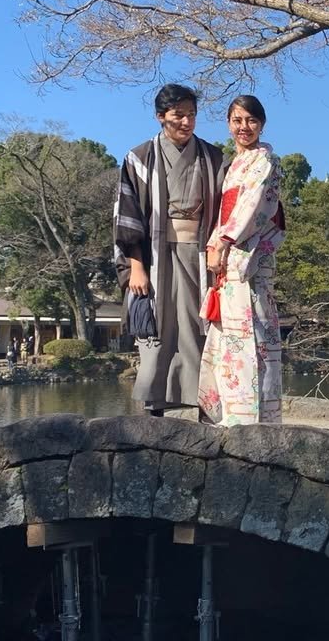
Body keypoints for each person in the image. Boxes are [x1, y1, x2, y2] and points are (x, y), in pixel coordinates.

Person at [113, 84, 226, 417]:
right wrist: (136, 267)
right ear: (161, 116)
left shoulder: (212, 157)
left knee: (197, 325)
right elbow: (128, 215)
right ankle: (155, 402)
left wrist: (220, 249)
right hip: (155, 257)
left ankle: (202, 401)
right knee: (158, 328)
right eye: (178, 115)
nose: (186, 122)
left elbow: (225, 211)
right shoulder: (139, 157)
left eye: (192, 115)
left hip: (200, 255)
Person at [198, 95, 285, 426]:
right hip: (230, 261)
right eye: (237, 120)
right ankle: (229, 414)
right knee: (230, 339)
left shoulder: (266, 161)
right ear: (228, 124)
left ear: (262, 124)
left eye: (251, 120)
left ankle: (254, 421)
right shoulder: (235, 164)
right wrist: (215, 245)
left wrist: (223, 241)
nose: (244, 127)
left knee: (255, 336)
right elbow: (226, 212)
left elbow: (253, 207)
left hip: (249, 258)